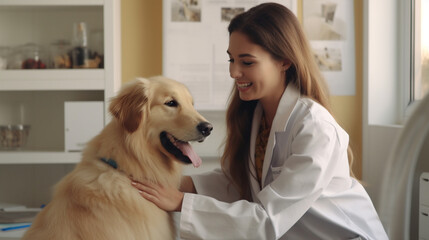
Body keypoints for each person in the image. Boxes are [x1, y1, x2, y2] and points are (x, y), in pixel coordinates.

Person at [131, 3, 388, 239]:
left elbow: (267, 220)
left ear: (284, 61)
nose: (233, 72)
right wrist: (176, 184)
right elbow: (240, 181)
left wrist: (179, 201)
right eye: (232, 59)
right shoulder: (254, 115)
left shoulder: (315, 127)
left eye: (247, 62)